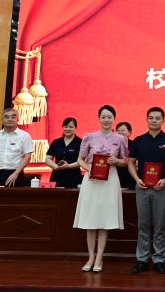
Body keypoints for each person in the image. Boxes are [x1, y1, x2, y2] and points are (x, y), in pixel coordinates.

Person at [73, 105, 128, 273]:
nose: (106, 120)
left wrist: (116, 161)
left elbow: (126, 161)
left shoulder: (120, 139)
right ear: (99, 118)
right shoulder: (89, 137)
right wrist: (89, 169)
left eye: (109, 117)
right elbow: (80, 159)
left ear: (114, 118)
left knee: (104, 220)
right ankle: (90, 257)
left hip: (110, 180)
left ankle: (99, 257)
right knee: (90, 220)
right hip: (91, 180)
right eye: (103, 117)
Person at [128, 107, 165, 275]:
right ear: (147, 119)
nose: (154, 120)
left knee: (159, 225)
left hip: (161, 187)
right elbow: (131, 162)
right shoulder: (139, 140)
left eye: (157, 118)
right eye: (151, 118)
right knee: (143, 225)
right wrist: (137, 179)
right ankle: (142, 259)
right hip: (142, 187)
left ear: (163, 120)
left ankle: (159, 259)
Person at [0, 108, 33, 187]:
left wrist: (16, 173)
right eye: (6, 117)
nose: (9, 119)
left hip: (15, 173)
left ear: (18, 119)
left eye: (13, 117)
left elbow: (28, 156)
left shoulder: (25, 136)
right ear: (2, 120)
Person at [44, 117, 83, 188]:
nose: (68, 129)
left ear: (75, 128)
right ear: (62, 127)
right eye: (65, 127)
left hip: (74, 177)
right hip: (57, 176)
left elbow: (82, 161)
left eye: (71, 127)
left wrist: (68, 166)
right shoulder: (56, 142)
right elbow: (48, 159)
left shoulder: (80, 142)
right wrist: (56, 167)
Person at [116, 121, 136, 190]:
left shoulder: (134, 144)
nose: (120, 132)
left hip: (130, 177)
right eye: (118, 131)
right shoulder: (113, 145)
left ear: (130, 132)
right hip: (116, 176)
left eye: (122, 130)